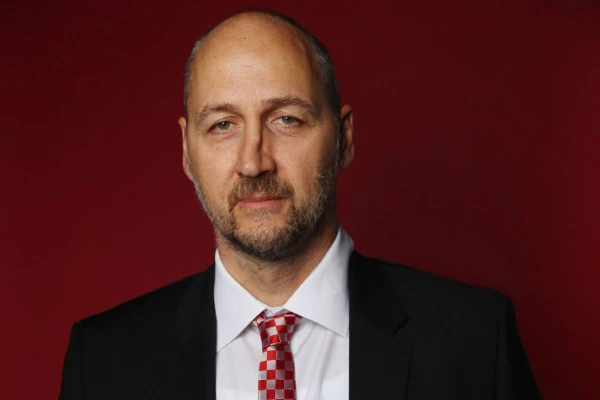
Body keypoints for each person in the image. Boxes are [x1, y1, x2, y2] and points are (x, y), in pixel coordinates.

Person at [59, 9, 541, 400]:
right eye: (223, 125)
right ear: (187, 152)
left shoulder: (476, 342)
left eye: (286, 119)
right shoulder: (102, 363)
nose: (253, 162)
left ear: (343, 138)